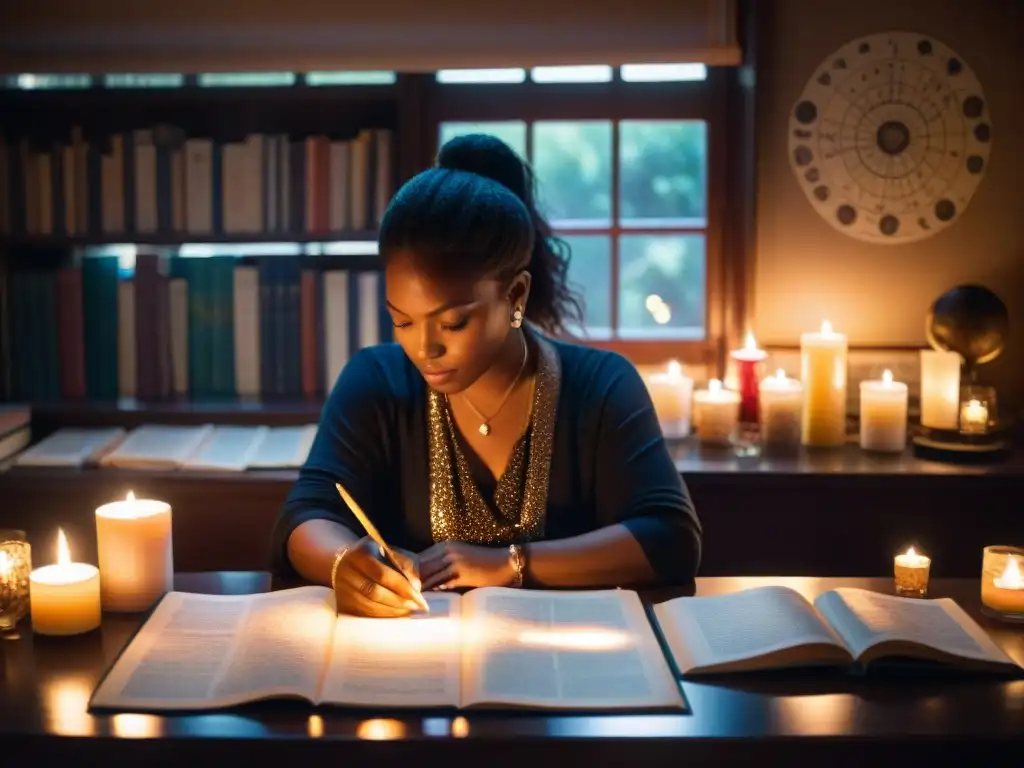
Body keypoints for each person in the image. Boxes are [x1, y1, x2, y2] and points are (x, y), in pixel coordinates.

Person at [271, 133, 702, 617]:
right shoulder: (376, 382)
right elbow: (306, 515)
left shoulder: (600, 386)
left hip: (566, 672)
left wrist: (511, 564)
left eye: (454, 322)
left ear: (516, 295)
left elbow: (668, 536)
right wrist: (343, 560)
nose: (425, 347)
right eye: (403, 321)